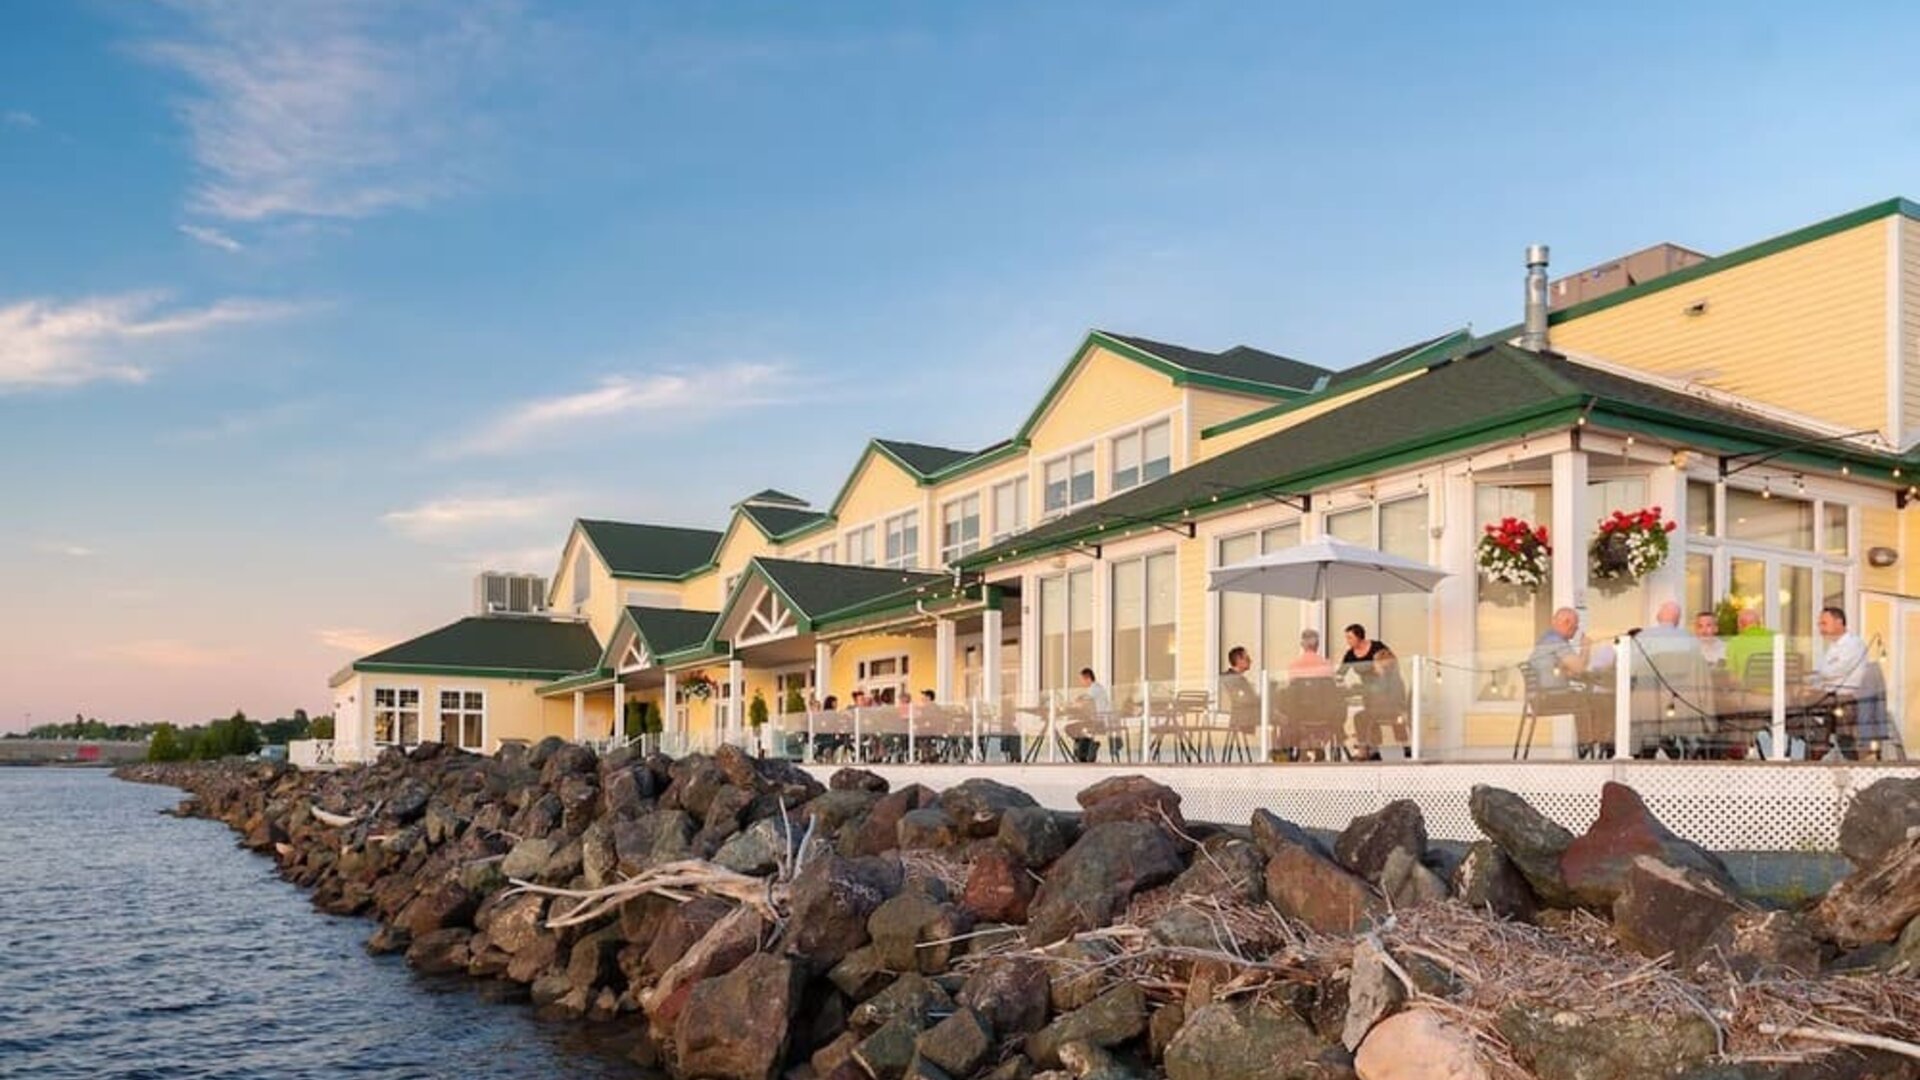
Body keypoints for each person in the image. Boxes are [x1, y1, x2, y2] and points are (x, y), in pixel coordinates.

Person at [1811, 607, 1868, 695]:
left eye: (1824, 623)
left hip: (1845, 700)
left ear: (1839, 622)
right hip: (1827, 698)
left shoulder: (1854, 644)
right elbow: (1821, 673)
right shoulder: (1832, 645)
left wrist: (1820, 673)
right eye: (1819, 624)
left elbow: (1832, 672)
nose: (1820, 628)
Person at [1067, 668, 1115, 762]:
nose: (1081, 683)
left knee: (1070, 728)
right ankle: (1087, 748)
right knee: (1076, 730)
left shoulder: (1095, 688)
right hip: (1097, 719)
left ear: (1088, 678)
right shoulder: (1094, 689)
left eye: (1082, 680)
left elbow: (1083, 702)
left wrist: (1070, 705)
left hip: (1099, 721)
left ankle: (1087, 749)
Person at [1721, 608, 1777, 686]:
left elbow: (1732, 677)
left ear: (1741, 625)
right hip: (1776, 691)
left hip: (1748, 692)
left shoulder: (1734, 642)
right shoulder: (1777, 637)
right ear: (1760, 624)